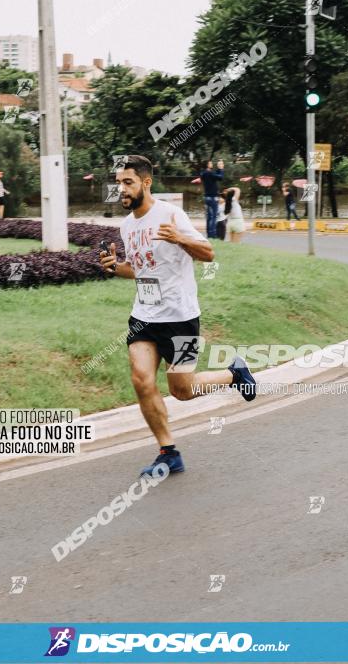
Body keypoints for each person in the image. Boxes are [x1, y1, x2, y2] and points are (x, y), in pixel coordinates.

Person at [99, 154, 256, 478]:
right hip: (144, 316)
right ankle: (168, 452)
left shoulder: (170, 215)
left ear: (146, 182)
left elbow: (208, 253)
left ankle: (234, 374)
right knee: (141, 380)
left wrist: (179, 238)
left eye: (128, 183)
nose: (122, 190)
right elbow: (140, 269)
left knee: (182, 390)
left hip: (180, 318)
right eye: (119, 184)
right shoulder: (128, 226)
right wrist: (116, 267)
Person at [199, 159, 224, 239]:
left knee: (209, 217)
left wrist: (218, 169)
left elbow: (214, 176)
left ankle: (209, 234)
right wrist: (221, 169)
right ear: (207, 165)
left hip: (207, 197)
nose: (212, 164)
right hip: (213, 198)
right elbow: (220, 177)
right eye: (210, 163)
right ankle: (213, 235)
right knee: (213, 217)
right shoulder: (209, 173)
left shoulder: (203, 174)